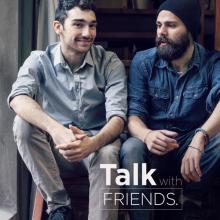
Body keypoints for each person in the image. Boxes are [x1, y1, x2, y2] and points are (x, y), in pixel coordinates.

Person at [8, 0, 127, 220]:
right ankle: (59, 207)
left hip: (97, 147)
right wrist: (56, 130)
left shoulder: (110, 62)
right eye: (79, 24)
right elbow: (18, 98)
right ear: (58, 27)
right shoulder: (39, 60)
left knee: (109, 153)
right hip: (57, 153)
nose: (87, 32)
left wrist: (92, 143)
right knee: (22, 124)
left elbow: (118, 118)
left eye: (92, 25)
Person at [120, 0, 220, 219]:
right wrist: (147, 135)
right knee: (130, 147)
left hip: (194, 153)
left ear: (190, 30)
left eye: (171, 25)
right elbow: (133, 116)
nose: (161, 32)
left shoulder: (213, 63)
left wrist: (200, 137)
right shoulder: (143, 62)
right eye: (158, 25)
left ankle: (191, 199)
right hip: (154, 148)